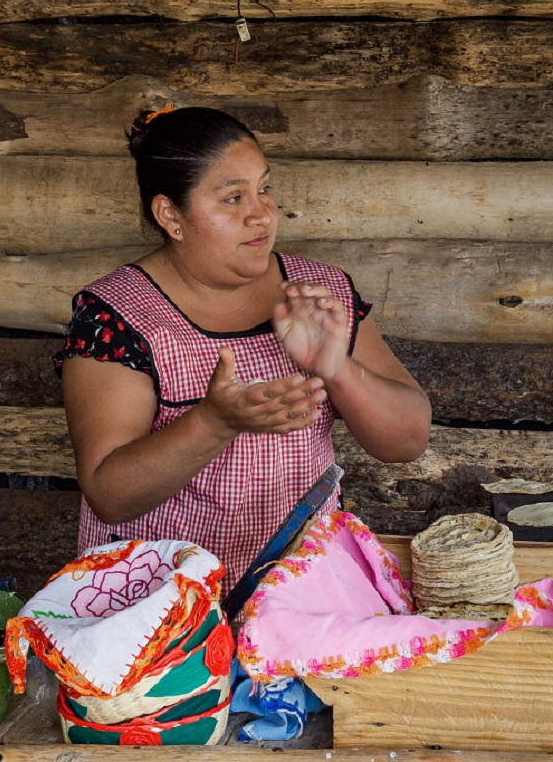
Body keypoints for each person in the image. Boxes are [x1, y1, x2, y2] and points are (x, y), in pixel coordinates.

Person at [56, 105, 432, 597]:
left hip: (297, 587)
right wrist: (216, 421)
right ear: (171, 214)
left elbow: (407, 441)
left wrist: (338, 368)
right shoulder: (118, 315)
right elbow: (109, 492)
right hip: (158, 601)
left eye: (264, 188)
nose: (262, 214)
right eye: (233, 198)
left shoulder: (317, 294)